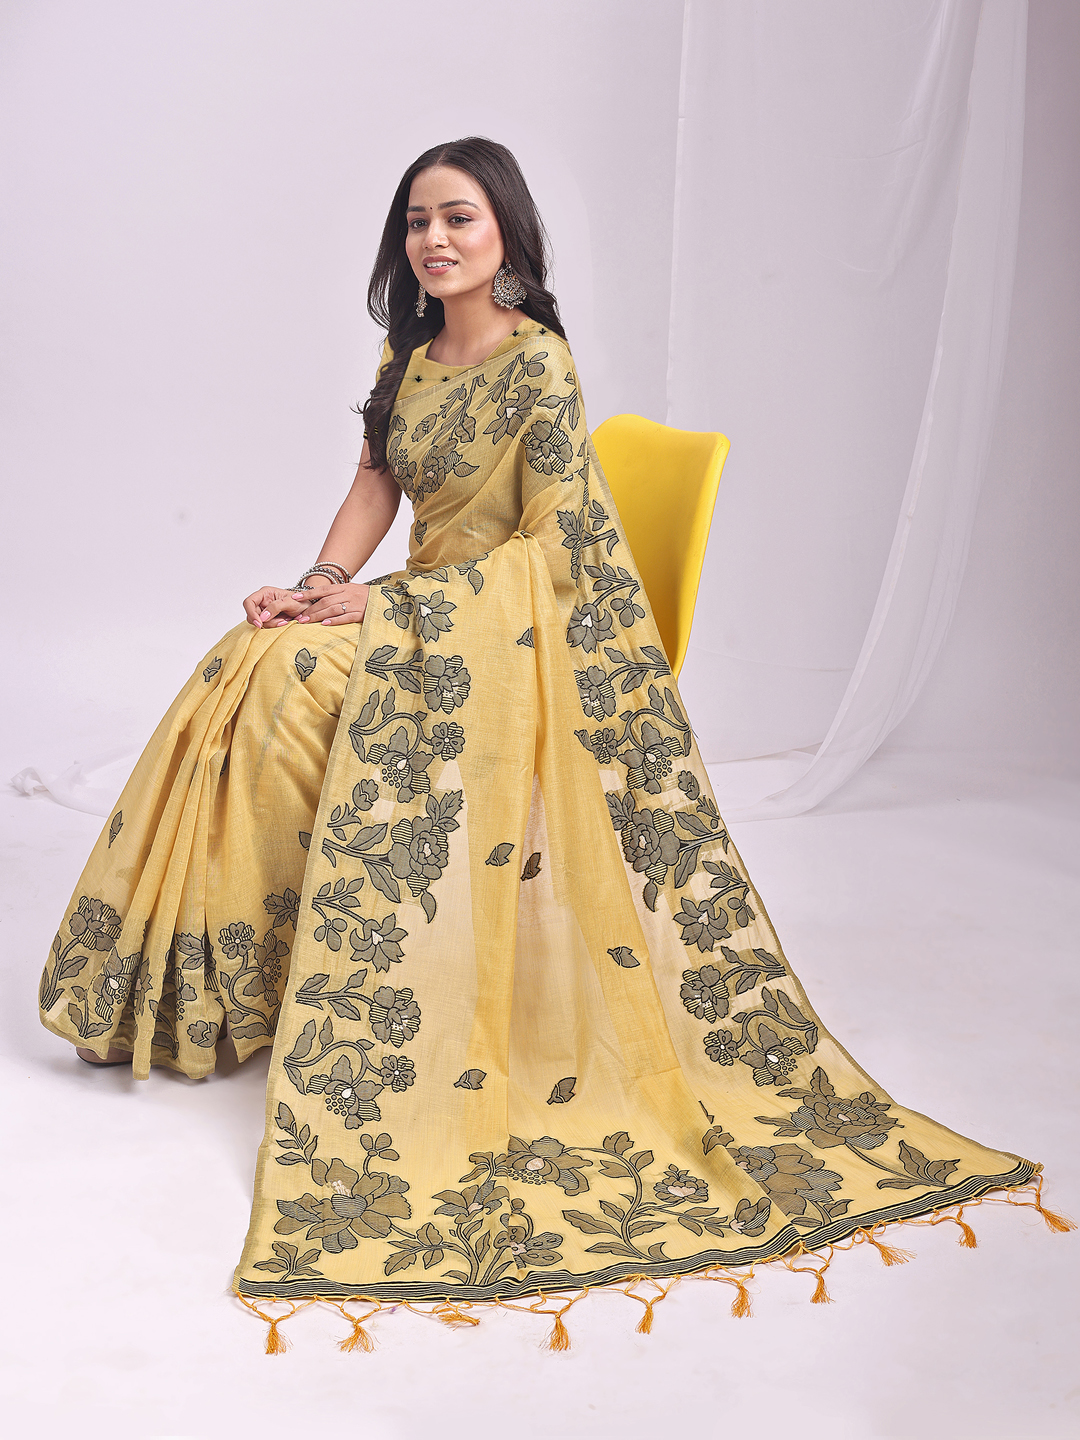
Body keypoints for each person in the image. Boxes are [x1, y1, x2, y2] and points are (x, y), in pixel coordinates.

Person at [38, 137, 1064, 1345]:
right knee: (251, 655)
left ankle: (288, 974)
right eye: (417, 220)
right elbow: (374, 487)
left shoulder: (539, 367)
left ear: (507, 236)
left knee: (290, 680)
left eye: (459, 218)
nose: (434, 239)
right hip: (416, 615)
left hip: (507, 638)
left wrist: (384, 613)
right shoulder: (407, 358)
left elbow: (553, 555)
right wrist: (318, 582)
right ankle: (216, 987)